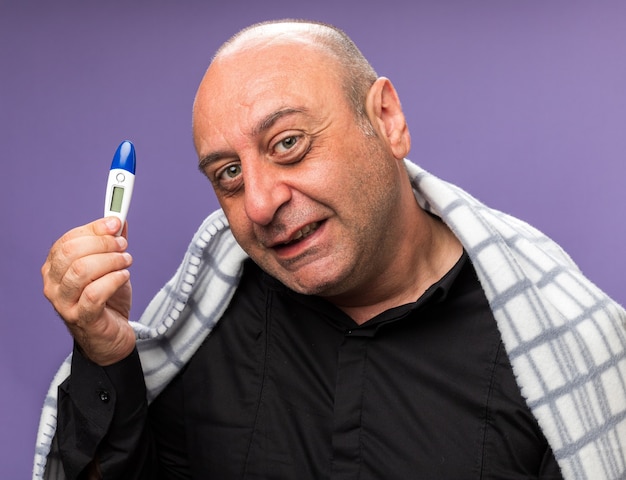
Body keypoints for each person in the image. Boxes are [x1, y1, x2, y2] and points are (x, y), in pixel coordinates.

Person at [34, 19, 626, 480]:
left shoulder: (558, 351)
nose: (261, 203)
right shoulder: (207, 332)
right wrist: (107, 356)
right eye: (228, 174)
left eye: (288, 143)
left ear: (386, 119)